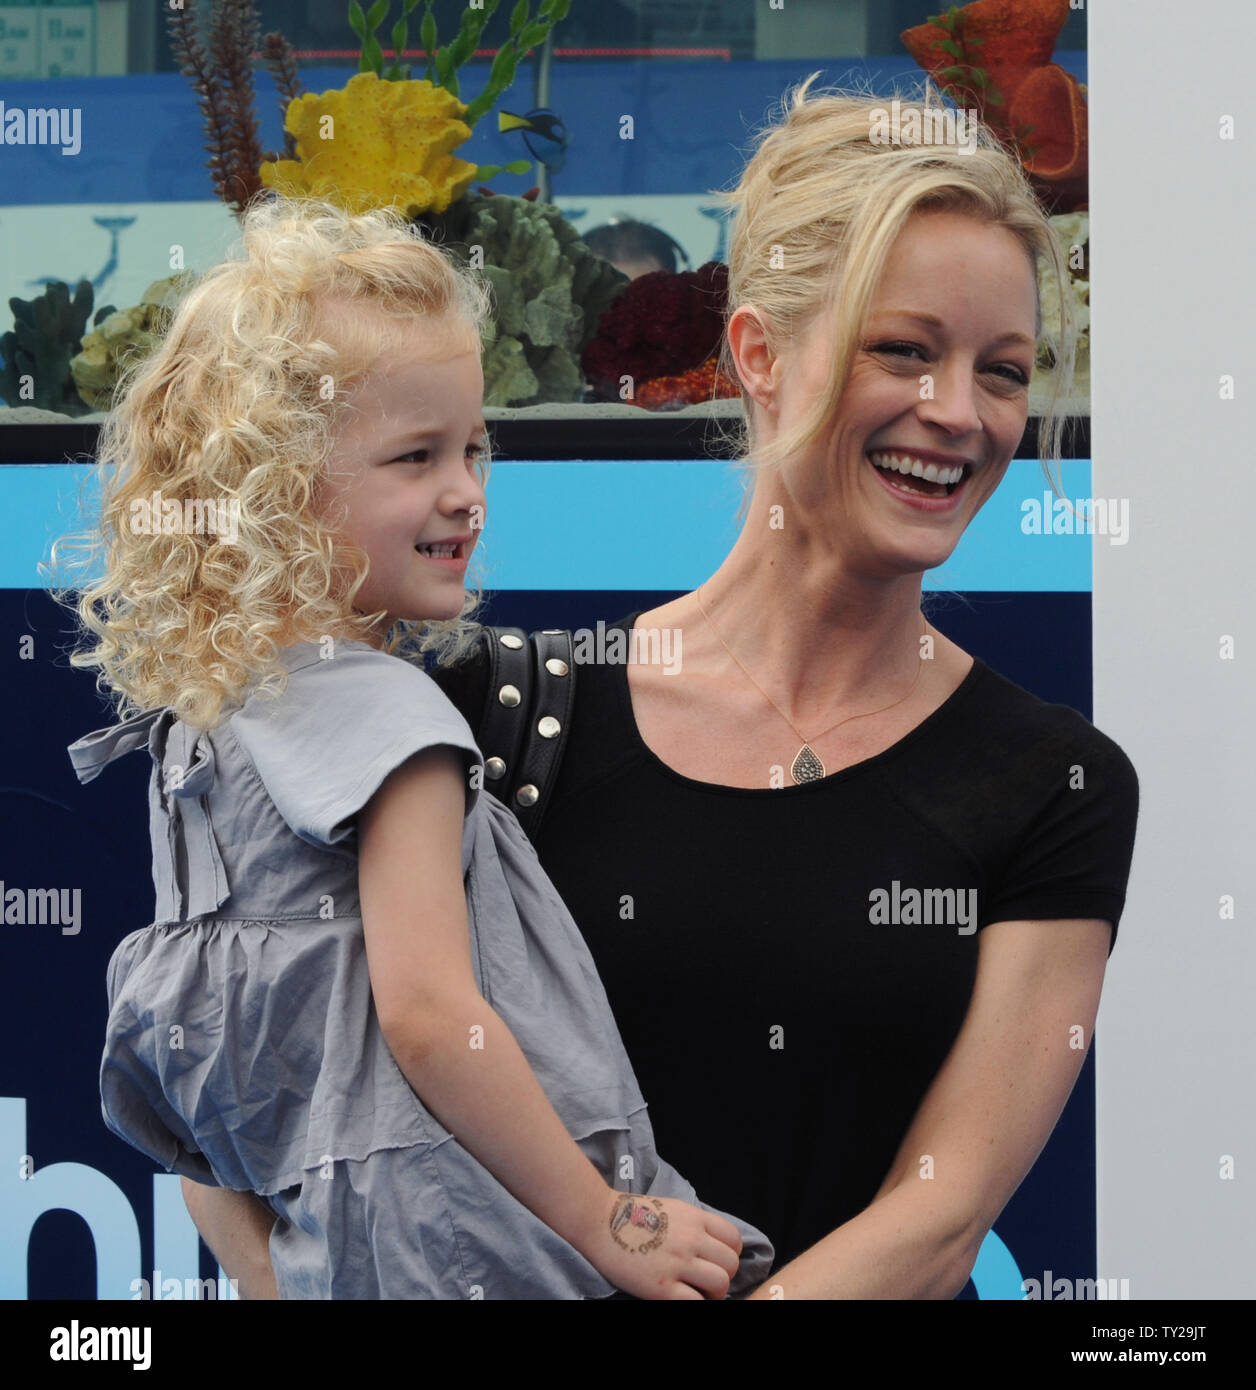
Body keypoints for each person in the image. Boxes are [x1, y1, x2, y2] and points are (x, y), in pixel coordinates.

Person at [164, 76, 1141, 1300]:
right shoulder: (482, 714)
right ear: (757, 353)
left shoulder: (1053, 783)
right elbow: (228, 1092)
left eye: (1002, 371)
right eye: (902, 350)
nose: (956, 414)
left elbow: (939, 1216)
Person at [57, 193, 774, 1300]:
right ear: (281, 493)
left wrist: (276, 1278)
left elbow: (193, 1116)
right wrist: (606, 1221)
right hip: (487, 1248)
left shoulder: (202, 738)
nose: (466, 492)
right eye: (414, 456)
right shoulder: (398, 724)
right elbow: (434, 1015)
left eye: (475, 447)